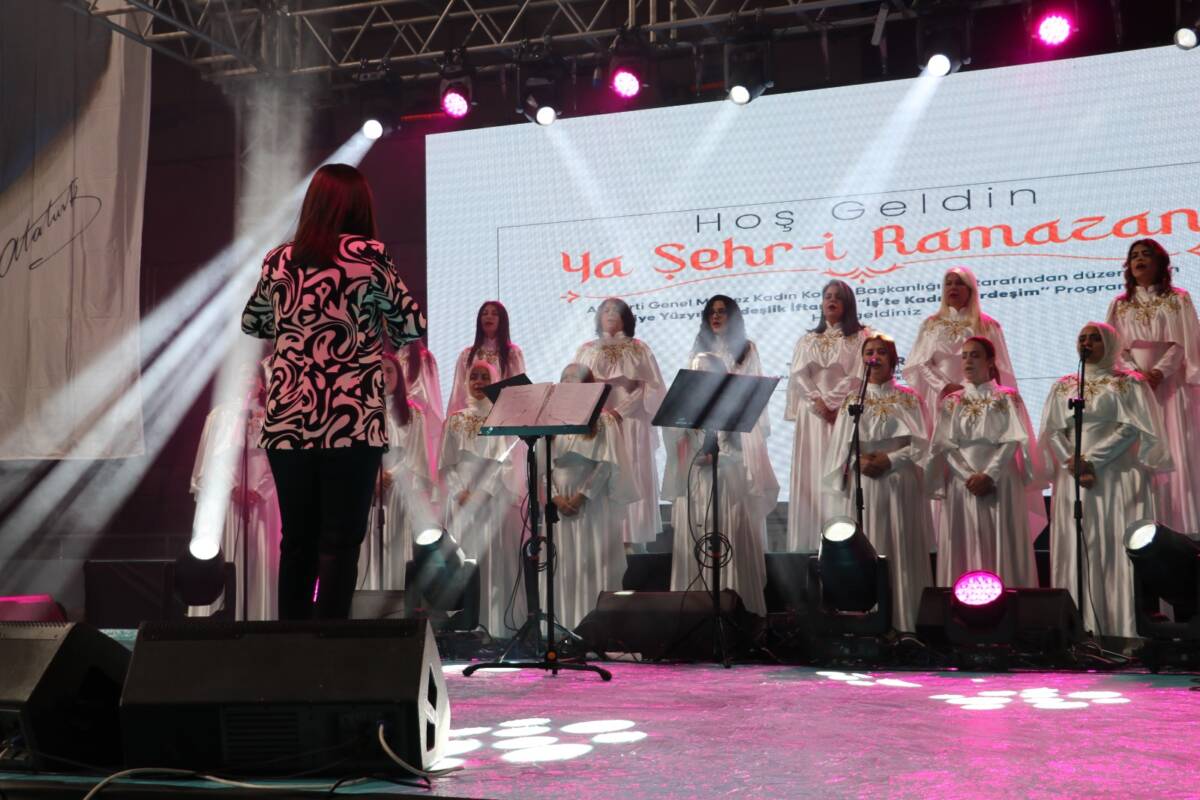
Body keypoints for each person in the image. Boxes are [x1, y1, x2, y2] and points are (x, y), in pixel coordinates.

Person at [241, 163, 426, 620]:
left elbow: (254, 322)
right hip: (351, 419)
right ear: (360, 207)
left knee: (297, 540)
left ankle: (291, 645)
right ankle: (330, 644)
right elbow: (409, 325)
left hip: (289, 419)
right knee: (340, 542)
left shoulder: (278, 259)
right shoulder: (369, 256)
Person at [1038, 322, 1170, 638]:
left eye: (1094, 338)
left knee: (1113, 549)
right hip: (1073, 478)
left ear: (1110, 343)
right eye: (1081, 338)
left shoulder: (1129, 383)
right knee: (1080, 547)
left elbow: (1133, 427)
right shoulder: (1064, 386)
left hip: (1116, 476)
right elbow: (1053, 430)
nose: (1086, 343)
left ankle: (1123, 630)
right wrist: (1073, 461)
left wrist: (1091, 459)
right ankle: (1079, 631)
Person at [823, 334, 933, 633]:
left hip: (898, 480)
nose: (874, 357)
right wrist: (858, 461)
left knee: (901, 546)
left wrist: (890, 459)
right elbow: (840, 448)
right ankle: (870, 622)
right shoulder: (852, 401)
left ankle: (906, 621)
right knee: (868, 545)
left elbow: (922, 445)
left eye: (881, 352)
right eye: (869, 352)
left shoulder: (910, 398)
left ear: (893, 359)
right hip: (865, 483)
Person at [927, 337, 1043, 588]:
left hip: (1000, 481)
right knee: (965, 541)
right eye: (965, 356)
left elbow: (1012, 440)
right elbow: (945, 445)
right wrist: (967, 475)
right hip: (962, 484)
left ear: (990, 361)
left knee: (1002, 539)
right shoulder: (951, 401)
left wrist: (989, 474)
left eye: (975, 355)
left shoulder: (1008, 397)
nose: (968, 361)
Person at [663, 353, 769, 617]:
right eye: (696, 372)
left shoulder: (734, 405)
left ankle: (733, 612)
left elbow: (744, 451)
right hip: (694, 485)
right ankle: (693, 615)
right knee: (695, 543)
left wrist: (718, 458)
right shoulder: (685, 406)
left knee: (724, 542)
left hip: (725, 485)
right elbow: (675, 446)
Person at [1105, 238, 1200, 532]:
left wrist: (1159, 372)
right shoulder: (1120, 304)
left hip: (1171, 387)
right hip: (1135, 389)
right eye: (1134, 255)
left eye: (1146, 254)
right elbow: (1114, 348)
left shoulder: (1178, 299)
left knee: (1176, 447)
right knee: (1141, 449)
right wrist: (1136, 374)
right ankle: (1146, 524)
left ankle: (1184, 527)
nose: (1139, 259)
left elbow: (1186, 340)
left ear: (1160, 263)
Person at [539, 364, 636, 630]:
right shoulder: (551, 421)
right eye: (565, 379)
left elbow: (607, 463)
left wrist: (583, 495)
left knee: (592, 562)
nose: (570, 383)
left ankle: (595, 629)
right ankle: (564, 627)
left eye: (576, 379)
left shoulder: (603, 421)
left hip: (593, 505)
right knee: (566, 564)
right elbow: (543, 466)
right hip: (560, 507)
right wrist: (555, 497)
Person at [189, 358, 280, 619]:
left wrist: (260, 490)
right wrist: (233, 488)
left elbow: (279, 462)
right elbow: (211, 461)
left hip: (264, 500)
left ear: (262, 383)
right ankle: (225, 616)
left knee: (264, 559)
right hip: (228, 500)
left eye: (252, 375)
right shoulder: (219, 416)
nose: (246, 380)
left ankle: (262, 617)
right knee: (229, 555)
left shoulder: (274, 416)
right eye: (240, 375)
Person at [573, 298, 666, 552]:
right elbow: (575, 386)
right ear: (598, 317)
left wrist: (620, 412)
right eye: (606, 309)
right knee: (599, 471)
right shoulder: (586, 349)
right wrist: (599, 413)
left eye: (616, 309)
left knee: (632, 471)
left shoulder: (639, 348)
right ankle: (603, 537)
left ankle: (632, 539)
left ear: (627, 317)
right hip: (597, 423)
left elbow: (650, 387)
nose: (611, 313)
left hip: (631, 422)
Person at [785, 280, 871, 552]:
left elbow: (858, 375)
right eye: (827, 297)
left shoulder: (861, 337)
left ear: (848, 304)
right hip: (812, 416)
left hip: (843, 413)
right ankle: (812, 544)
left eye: (838, 297)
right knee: (812, 474)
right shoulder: (807, 339)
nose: (831, 301)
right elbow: (799, 375)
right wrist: (818, 402)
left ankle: (845, 541)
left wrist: (832, 402)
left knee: (839, 475)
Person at [439, 360, 522, 637]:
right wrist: (460, 492)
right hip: (460, 500)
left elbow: (504, 463)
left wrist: (482, 494)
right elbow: (446, 463)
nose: (478, 382)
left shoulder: (501, 419)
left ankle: (494, 626)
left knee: (490, 561)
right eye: (473, 376)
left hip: (490, 500)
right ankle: (465, 626)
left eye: (484, 376)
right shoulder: (455, 419)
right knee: (463, 560)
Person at [689, 295, 779, 547]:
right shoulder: (699, 351)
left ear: (732, 316)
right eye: (712, 312)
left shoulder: (747, 347)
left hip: (739, 431)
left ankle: (743, 555)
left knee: (740, 495)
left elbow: (753, 389)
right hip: (709, 431)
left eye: (722, 311)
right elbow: (693, 392)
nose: (716, 316)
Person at [357, 352, 437, 591]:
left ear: (399, 375)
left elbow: (417, 456)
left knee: (394, 549)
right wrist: (373, 476)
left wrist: (391, 474)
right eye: (379, 370)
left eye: (389, 370)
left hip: (399, 490)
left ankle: (393, 604)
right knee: (367, 548)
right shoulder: (361, 411)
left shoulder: (413, 413)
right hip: (367, 488)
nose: (384, 375)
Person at [446, 301, 526, 416]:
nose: (489, 316)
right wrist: (456, 418)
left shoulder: (512, 354)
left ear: (502, 320)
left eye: (494, 314)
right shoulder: (467, 355)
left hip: (502, 417)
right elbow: (459, 392)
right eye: (484, 313)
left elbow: (519, 390)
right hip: (473, 417)